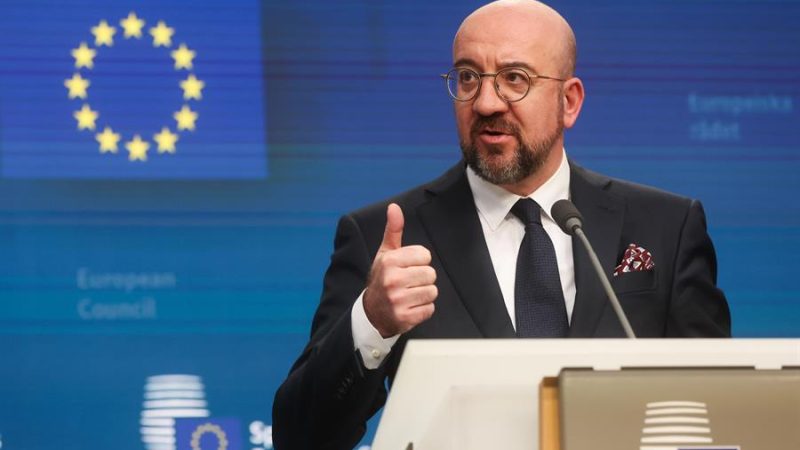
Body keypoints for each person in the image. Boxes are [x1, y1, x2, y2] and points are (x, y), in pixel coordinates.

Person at [272, 0, 731, 448]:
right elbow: (301, 438)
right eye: (468, 77)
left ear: (568, 101)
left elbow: (722, 415)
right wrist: (372, 322)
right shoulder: (386, 240)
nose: (487, 102)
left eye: (515, 79)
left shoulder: (666, 227)